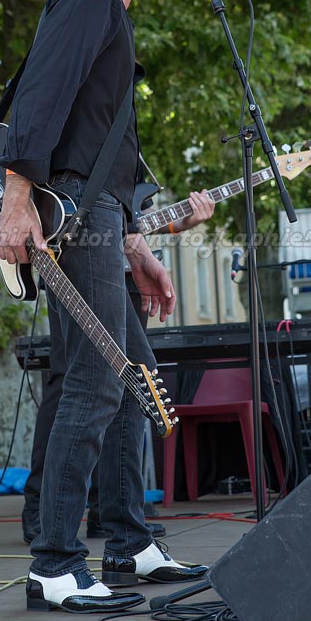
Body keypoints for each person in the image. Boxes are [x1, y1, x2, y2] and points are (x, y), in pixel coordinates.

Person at [0, 0, 211, 615]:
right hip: (71, 212)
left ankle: (129, 544)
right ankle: (56, 567)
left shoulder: (112, 13)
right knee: (94, 383)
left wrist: (136, 243)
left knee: (134, 378)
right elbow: (42, 92)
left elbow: (103, 147)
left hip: (101, 215)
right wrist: (18, 199)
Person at [21, 185, 216, 547]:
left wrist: (181, 223)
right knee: (77, 383)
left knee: (129, 384)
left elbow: (134, 221)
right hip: (77, 261)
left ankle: (116, 520)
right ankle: (46, 521)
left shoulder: (133, 164)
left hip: (124, 270)